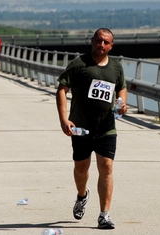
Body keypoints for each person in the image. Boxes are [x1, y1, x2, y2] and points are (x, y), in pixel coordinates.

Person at [56, 28, 128, 230]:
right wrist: (64, 119)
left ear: (111, 46)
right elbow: (62, 89)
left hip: (106, 128)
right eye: (99, 41)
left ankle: (104, 215)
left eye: (106, 42)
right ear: (92, 41)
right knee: (81, 169)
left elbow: (121, 87)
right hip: (81, 128)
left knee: (106, 168)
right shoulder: (79, 64)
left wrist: (122, 103)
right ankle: (82, 195)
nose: (102, 45)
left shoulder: (116, 67)